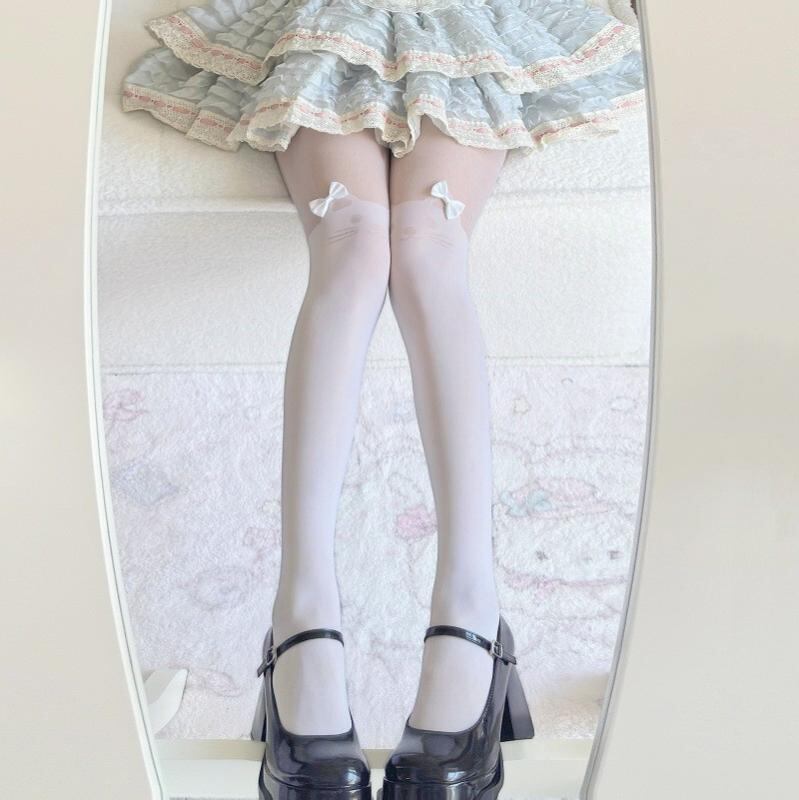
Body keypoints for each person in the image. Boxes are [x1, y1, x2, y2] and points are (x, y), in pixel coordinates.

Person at [121, 1, 646, 796]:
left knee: (427, 244)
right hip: (333, 17)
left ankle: (469, 612)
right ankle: (302, 618)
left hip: (467, 19)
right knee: (352, 244)